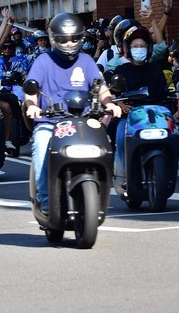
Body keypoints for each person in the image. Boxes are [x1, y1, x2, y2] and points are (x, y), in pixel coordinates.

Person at [24, 12, 122, 214]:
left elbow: (101, 87)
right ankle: (45, 198)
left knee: (104, 147)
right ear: (54, 39)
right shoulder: (43, 61)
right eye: (63, 39)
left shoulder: (87, 61)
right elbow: (31, 90)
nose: (69, 44)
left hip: (83, 122)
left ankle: (101, 190)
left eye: (74, 39)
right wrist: (32, 106)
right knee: (41, 147)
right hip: (49, 123)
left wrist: (110, 103)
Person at [111, 26, 168, 180]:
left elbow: (164, 92)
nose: (139, 49)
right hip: (129, 116)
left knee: (170, 134)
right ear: (128, 49)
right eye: (135, 46)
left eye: (142, 46)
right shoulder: (122, 70)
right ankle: (124, 174)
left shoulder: (155, 69)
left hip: (154, 115)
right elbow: (113, 94)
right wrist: (120, 105)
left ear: (149, 49)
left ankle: (168, 168)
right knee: (121, 138)